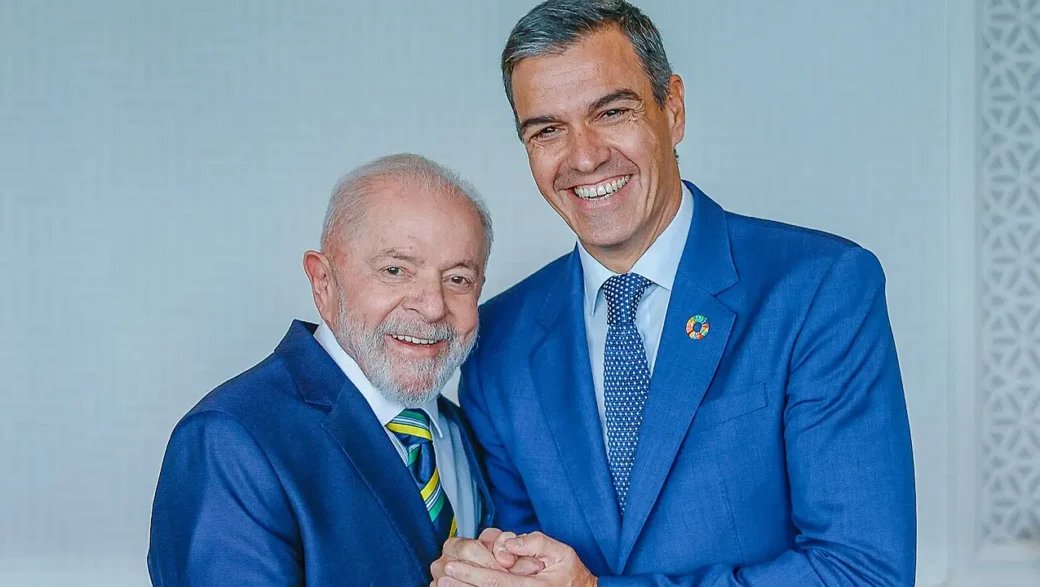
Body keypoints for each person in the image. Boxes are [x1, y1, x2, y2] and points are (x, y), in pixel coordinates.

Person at [432, 1, 916, 586]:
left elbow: (863, 573)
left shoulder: (819, 289)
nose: (584, 156)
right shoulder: (497, 344)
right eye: (548, 130)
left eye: (612, 112)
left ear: (673, 109)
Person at [147, 154, 498, 586]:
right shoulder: (229, 439)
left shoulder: (463, 430)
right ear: (323, 282)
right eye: (395, 270)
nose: (431, 306)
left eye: (458, 279)